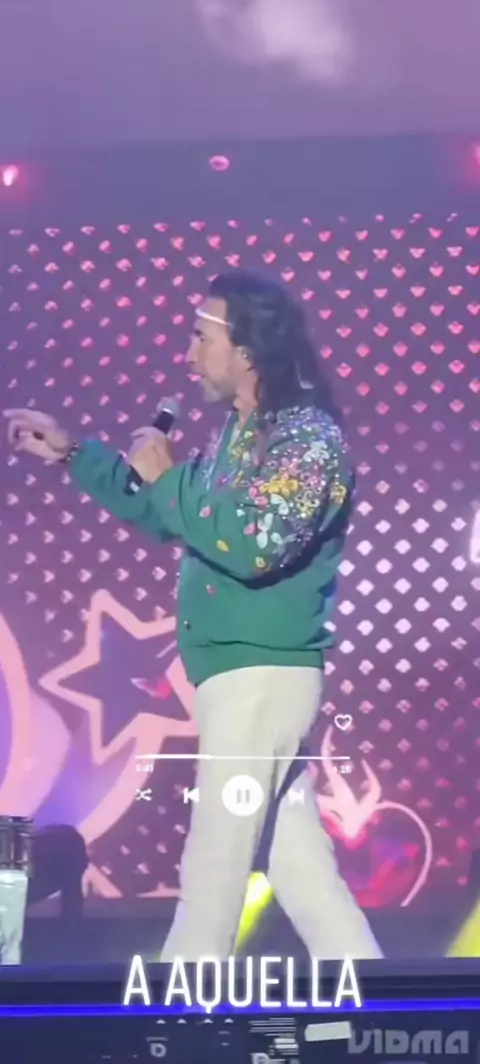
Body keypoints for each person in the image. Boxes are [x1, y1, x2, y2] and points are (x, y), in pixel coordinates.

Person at [4, 271, 381, 961]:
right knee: (304, 875)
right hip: (236, 680)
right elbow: (170, 513)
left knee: (213, 866)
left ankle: (177, 1011)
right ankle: (378, 1002)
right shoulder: (238, 437)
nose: (188, 354)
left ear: (248, 349)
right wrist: (74, 455)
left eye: (202, 337)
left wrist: (172, 477)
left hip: (260, 678)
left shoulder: (307, 442)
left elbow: (254, 542)